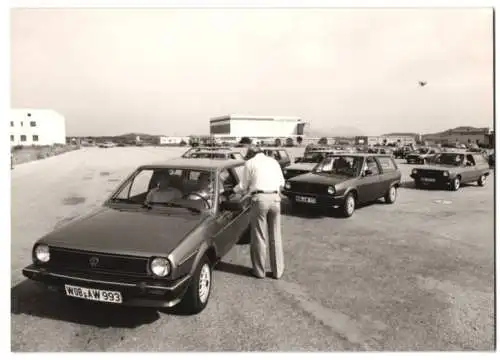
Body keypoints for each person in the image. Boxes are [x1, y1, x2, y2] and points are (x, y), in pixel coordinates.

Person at [232, 144, 286, 279]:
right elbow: (282, 183)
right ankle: (277, 272)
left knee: (259, 236)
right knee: (275, 236)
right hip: (275, 199)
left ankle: (259, 271)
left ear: (250, 154)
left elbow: (243, 186)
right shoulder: (273, 162)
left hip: (260, 199)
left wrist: (233, 190)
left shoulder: (250, 163)